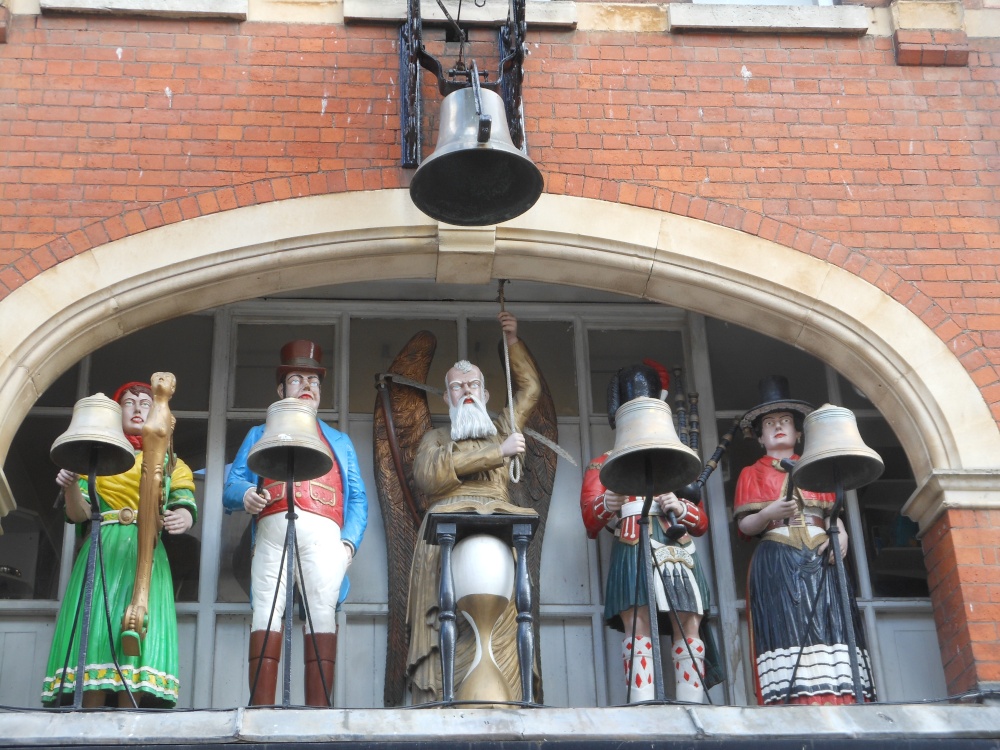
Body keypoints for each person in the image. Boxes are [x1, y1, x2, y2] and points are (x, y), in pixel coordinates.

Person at [223, 340, 368, 707]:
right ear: (280, 389)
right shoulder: (259, 433)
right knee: (266, 611)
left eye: (314, 381)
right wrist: (245, 496)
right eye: (297, 379)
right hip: (272, 534)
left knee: (322, 613)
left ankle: (318, 709)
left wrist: (348, 543)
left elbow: (357, 499)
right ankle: (260, 706)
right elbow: (233, 482)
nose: (307, 387)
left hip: (324, 538)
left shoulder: (339, 441)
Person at [406, 311, 539, 704]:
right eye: (457, 387)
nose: (466, 391)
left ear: (485, 395)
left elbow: (530, 388)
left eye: (473, 385)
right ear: (446, 397)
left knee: (504, 629)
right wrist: (496, 453)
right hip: (442, 542)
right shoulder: (435, 437)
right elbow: (430, 476)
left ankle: (509, 697)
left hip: (501, 531)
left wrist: (512, 341)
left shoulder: (502, 426)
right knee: (445, 624)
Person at [41, 381, 197, 708]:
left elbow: (183, 500)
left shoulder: (172, 463)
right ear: (116, 411)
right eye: (129, 402)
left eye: (145, 402)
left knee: (136, 631)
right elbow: (77, 513)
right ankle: (90, 707)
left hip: (146, 550)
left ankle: (131, 712)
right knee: (98, 625)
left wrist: (183, 516)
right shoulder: (95, 461)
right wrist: (70, 486)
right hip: (103, 546)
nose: (139, 408)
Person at [580, 361, 722, 704]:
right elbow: (590, 520)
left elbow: (701, 523)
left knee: (688, 621)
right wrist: (609, 501)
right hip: (632, 541)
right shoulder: (603, 464)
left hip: (675, 544)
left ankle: (692, 702)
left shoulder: (675, 459)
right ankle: (640, 701)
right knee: (637, 623)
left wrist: (679, 505)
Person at [734, 374, 874, 705]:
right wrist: (769, 513)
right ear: (760, 437)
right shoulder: (751, 473)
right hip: (778, 557)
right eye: (769, 424)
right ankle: (796, 698)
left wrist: (841, 532)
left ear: (799, 433)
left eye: (785, 422)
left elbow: (831, 511)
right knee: (788, 626)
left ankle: (840, 696)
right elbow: (745, 527)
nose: (777, 427)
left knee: (830, 622)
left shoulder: (815, 468)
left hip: (819, 555)